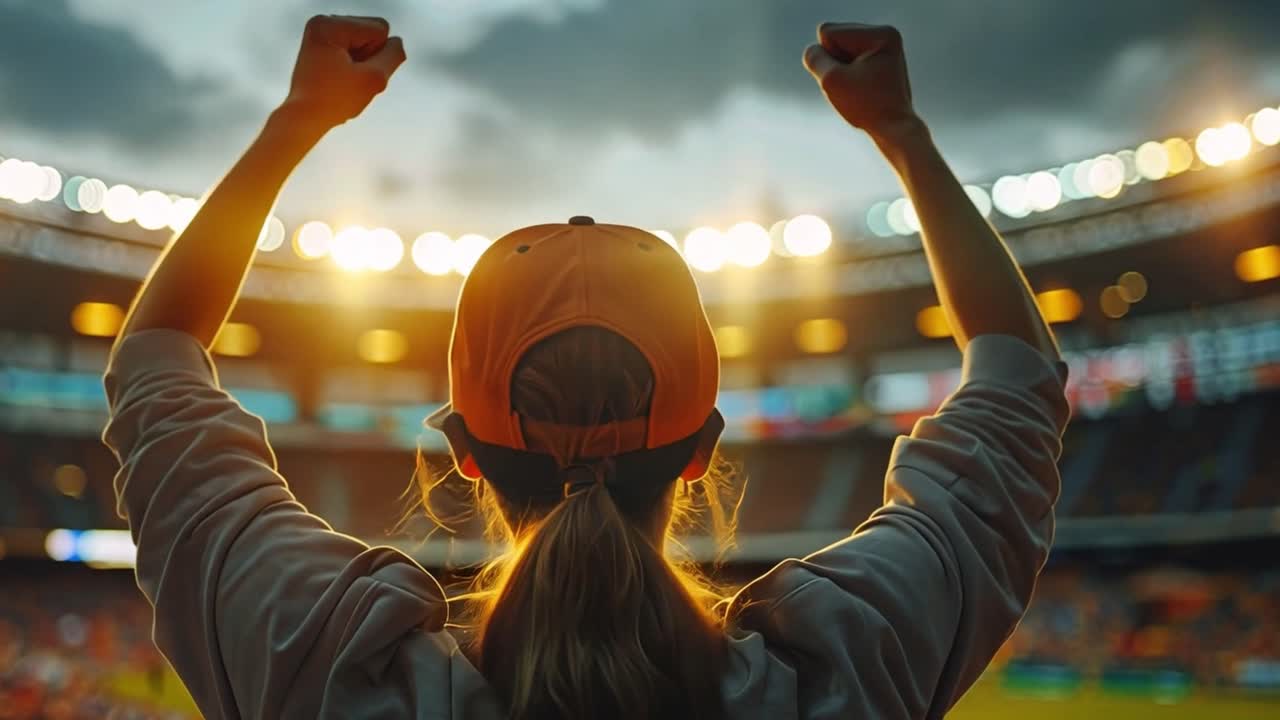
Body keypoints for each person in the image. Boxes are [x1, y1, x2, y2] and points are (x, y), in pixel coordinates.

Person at [102, 14, 1070, 720]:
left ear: (464, 453)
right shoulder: (841, 677)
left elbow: (155, 352)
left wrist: (296, 122)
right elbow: (1020, 371)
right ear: (702, 450)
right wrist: (901, 136)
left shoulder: (322, 672)